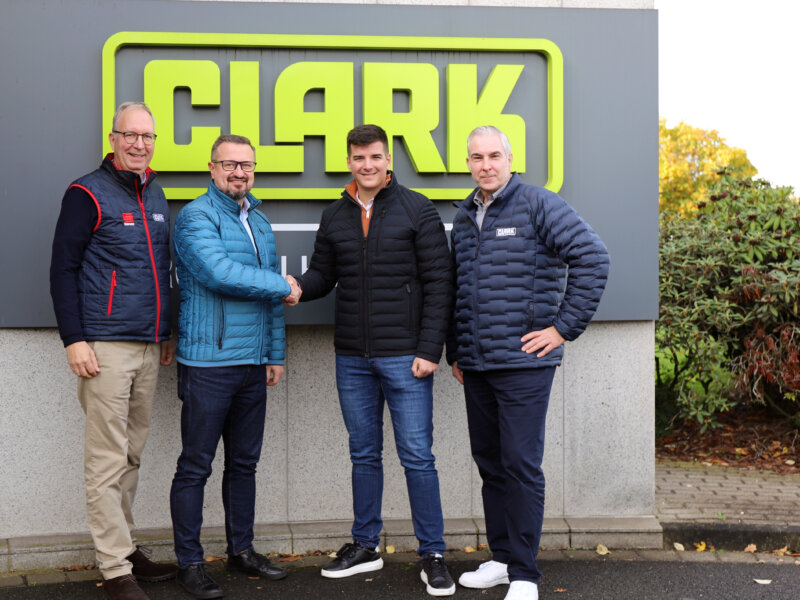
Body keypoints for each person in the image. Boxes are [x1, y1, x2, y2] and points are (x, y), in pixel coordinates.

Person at [284, 124, 455, 596]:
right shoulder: (335, 214)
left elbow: (440, 283)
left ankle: (433, 553)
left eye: (375, 157)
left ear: (388, 160)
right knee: (363, 454)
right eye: (359, 158)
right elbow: (323, 274)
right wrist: (298, 288)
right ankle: (365, 546)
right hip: (353, 358)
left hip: (407, 357)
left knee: (417, 456)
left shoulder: (417, 208)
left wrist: (430, 350)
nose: (368, 165)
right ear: (349, 162)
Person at [448, 126, 610, 600]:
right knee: (491, 464)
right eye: (477, 157)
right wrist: (457, 350)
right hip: (476, 363)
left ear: (510, 159)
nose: (486, 165)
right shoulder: (464, 216)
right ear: (468, 163)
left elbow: (593, 257)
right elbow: (460, 288)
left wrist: (561, 329)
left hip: (524, 364)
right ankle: (501, 560)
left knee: (520, 465)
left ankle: (524, 574)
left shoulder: (539, 204)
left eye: (494, 155)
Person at [50, 101, 177, 600]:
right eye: (131, 135)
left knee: (130, 455)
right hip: (103, 345)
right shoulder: (86, 193)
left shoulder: (156, 194)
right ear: (113, 139)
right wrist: (74, 339)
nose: (139, 144)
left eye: (147, 136)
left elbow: (160, 270)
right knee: (106, 460)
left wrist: (165, 332)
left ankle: (125, 548)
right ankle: (114, 568)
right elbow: (62, 269)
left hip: (147, 343)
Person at [169, 134, 292, 599]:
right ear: (212, 168)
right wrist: (283, 285)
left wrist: (274, 353)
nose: (239, 172)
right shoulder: (196, 216)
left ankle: (242, 550)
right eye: (230, 164)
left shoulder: (257, 219)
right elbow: (220, 273)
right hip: (208, 364)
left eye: (247, 165)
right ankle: (190, 562)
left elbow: (268, 296)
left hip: (251, 364)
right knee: (195, 466)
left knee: (244, 464)